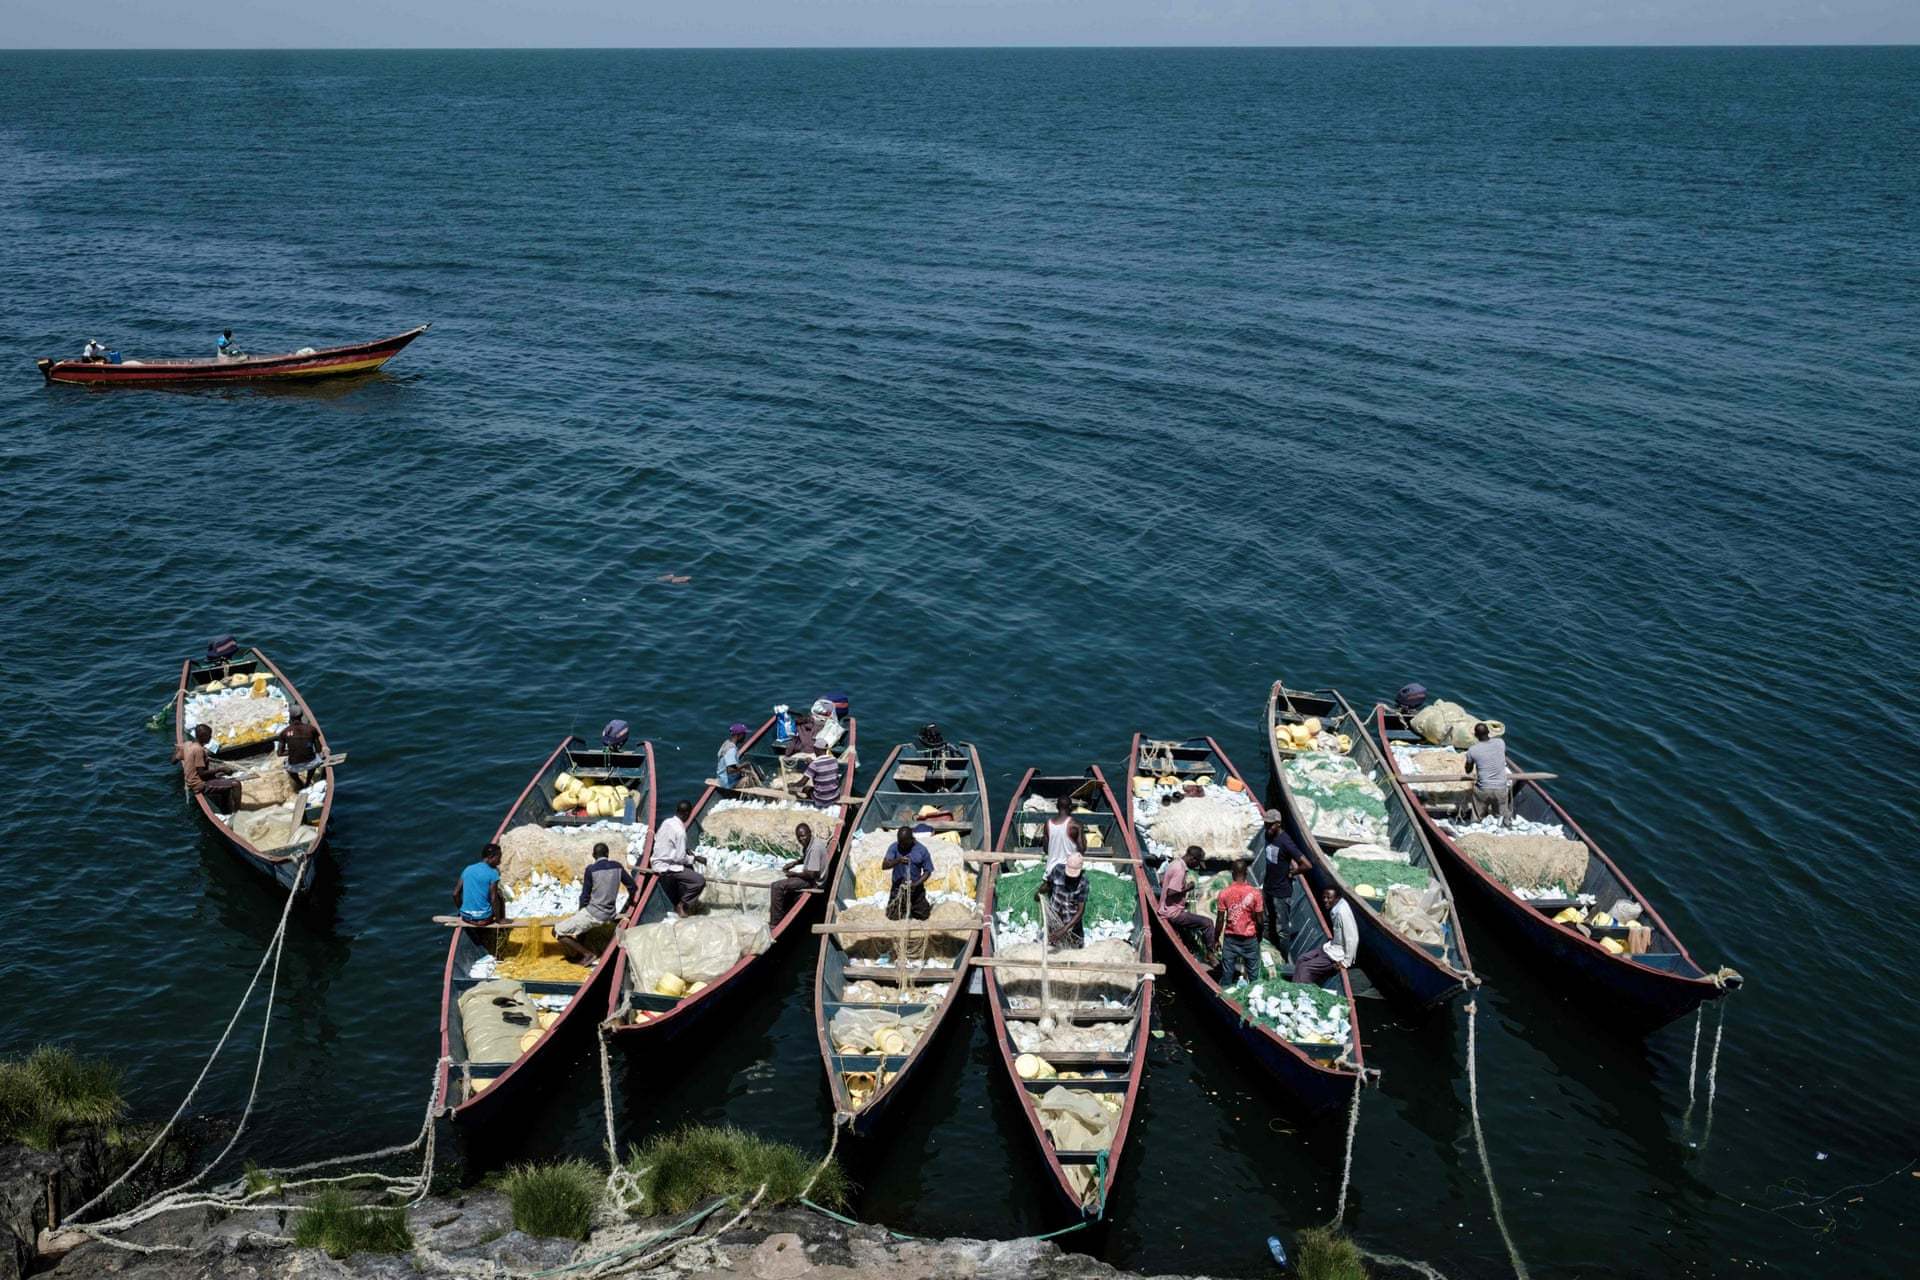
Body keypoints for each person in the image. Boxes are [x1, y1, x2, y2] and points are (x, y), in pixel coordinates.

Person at [554, 842, 637, 963]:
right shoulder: (617, 867)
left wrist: (581, 912)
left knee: (557, 931)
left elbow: (585, 896)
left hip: (594, 914)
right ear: (607, 854)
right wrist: (630, 904)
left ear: (594, 855)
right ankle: (580, 953)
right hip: (610, 913)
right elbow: (633, 887)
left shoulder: (591, 870)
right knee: (581, 928)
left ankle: (588, 954)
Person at [1256, 809, 1310, 951]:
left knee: (1282, 928)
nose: (1267, 827)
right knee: (1267, 920)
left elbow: (1307, 864)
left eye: (1270, 825)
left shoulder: (1285, 841)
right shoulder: (1269, 835)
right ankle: (1266, 946)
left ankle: (1284, 955)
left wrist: (1293, 872)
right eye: (1265, 824)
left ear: (1278, 824)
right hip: (1268, 886)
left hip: (1281, 891)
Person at [1292, 885, 1360, 988]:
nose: (1325, 900)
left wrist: (1345, 962)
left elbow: (1353, 938)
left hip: (1335, 955)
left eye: (1329, 898)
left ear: (1337, 898)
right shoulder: (1338, 907)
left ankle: (1300, 991)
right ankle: (1299, 983)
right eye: (1324, 897)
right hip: (1329, 947)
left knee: (1305, 968)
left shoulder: (1341, 913)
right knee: (1301, 959)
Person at [650, 800, 706, 915]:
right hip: (666, 867)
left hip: (656, 859)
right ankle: (683, 903)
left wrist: (688, 854)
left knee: (688, 860)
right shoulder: (680, 832)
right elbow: (680, 858)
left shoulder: (667, 822)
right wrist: (695, 858)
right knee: (700, 881)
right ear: (686, 814)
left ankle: (683, 890)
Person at [1159, 845, 1217, 956]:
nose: (1196, 867)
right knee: (1208, 923)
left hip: (1166, 907)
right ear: (1192, 859)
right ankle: (1211, 954)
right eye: (1197, 863)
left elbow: (1163, 882)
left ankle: (1187, 943)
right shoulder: (1180, 870)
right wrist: (1188, 888)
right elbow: (1170, 892)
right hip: (1173, 913)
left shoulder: (1175, 863)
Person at [1213, 859, 1264, 986]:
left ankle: (1226, 998)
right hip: (1250, 939)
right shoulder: (1255, 893)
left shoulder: (1224, 893)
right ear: (1246, 872)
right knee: (1254, 977)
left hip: (1230, 940)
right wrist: (1259, 936)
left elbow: (1220, 920)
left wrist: (1215, 939)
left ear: (1232, 873)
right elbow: (1260, 920)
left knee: (1227, 976)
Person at [768, 821, 830, 924]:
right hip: (811, 877)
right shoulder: (812, 843)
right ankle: (784, 909)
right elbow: (807, 858)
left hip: (814, 882)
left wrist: (794, 874)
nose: (801, 839)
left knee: (776, 886)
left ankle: (775, 923)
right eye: (799, 837)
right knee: (786, 885)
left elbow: (811, 875)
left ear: (810, 833)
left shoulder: (815, 849)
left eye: (803, 836)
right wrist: (794, 863)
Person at [173, 723, 242, 814]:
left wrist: (182, 753)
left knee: (223, 782)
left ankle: (224, 807)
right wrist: (220, 769)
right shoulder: (199, 750)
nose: (210, 738)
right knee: (236, 784)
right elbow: (201, 773)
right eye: (209, 736)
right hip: (199, 784)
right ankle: (237, 811)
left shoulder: (187, 744)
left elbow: (173, 760)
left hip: (190, 780)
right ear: (202, 736)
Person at [1037, 851, 1089, 949]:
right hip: (1054, 917)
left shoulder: (1083, 883)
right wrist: (1039, 892)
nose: (1070, 878)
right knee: (1053, 946)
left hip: (1071, 924)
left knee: (1074, 949)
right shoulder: (1057, 870)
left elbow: (1080, 911)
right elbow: (1048, 884)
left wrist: (1063, 930)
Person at [1463, 722, 1513, 824]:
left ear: (1476, 735)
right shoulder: (1500, 743)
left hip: (1483, 789)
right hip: (1501, 788)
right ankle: (1502, 829)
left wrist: (1470, 761)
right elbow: (1503, 757)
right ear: (1489, 732)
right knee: (1501, 818)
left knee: (1477, 817)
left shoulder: (1472, 750)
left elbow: (1468, 770)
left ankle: (1476, 826)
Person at [883, 825, 934, 921]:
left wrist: (916, 884)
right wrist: (898, 860)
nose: (901, 846)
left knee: (924, 916)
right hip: (898, 889)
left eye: (904, 844)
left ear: (911, 839)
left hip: (916, 890)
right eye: (900, 843)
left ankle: (913, 909)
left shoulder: (922, 850)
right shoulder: (894, 847)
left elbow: (928, 871)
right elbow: (884, 865)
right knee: (892, 917)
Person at [454, 843, 505, 925]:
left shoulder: (468, 869)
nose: (500, 861)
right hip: (483, 920)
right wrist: (497, 919)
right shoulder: (493, 873)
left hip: (466, 918)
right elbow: (493, 898)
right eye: (498, 858)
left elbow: (455, 894)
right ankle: (501, 920)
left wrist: (462, 911)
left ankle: (466, 912)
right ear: (491, 857)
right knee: (499, 895)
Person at [276, 705, 322, 789]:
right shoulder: (311, 729)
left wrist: (293, 751)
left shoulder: (284, 732)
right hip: (311, 763)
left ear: (290, 716)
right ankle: (308, 781)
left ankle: (300, 784)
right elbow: (319, 749)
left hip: (294, 766)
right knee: (317, 758)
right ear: (302, 716)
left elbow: (279, 753)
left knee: (286, 766)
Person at [1043, 795, 1086, 873]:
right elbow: (1082, 849)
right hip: (1070, 870)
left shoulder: (1047, 824)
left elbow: (1046, 849)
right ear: (1070, 807)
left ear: (1057, 807)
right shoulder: (1076, 825)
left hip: (1051, 870)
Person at [715, 722, 752, 789]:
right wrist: (745, 764)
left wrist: (741, 769)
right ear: (739, 735)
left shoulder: (726, 743)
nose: (745, 737)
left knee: (744, 772)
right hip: (727, 783)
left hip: (721, 779)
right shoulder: (731, 750)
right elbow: (730, 770)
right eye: (744, 734)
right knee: (750, 779)